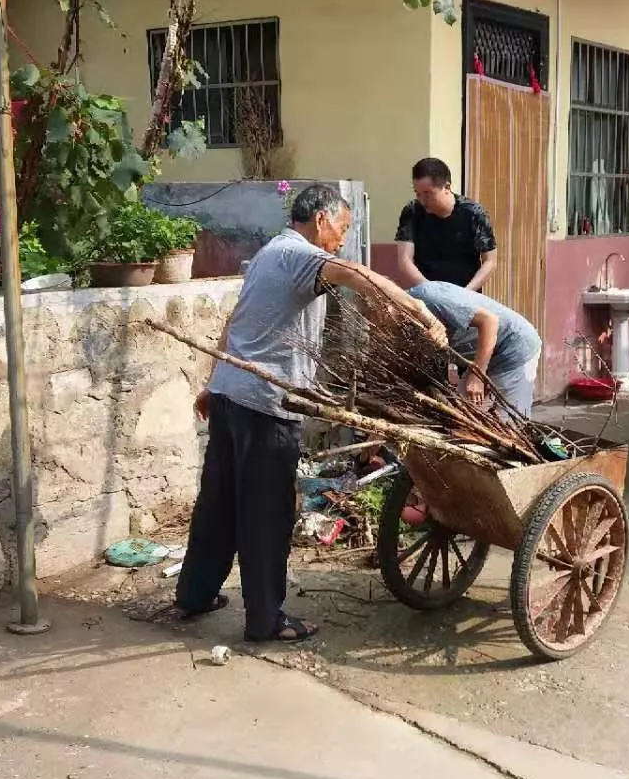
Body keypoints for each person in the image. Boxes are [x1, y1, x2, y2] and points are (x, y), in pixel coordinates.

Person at [174, 183, 447, 640]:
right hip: (264, 406)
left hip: (228, 396)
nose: (341, 239)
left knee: (217, 505)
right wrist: (420, 309)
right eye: (341, 228)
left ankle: (195, 595)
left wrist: (212, 383)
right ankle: (265, 621)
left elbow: (234, 322)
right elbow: (359, 274)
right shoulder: (302, 257)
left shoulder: (268, 253)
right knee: (267, 515)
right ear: (320, 221)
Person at [411, 280, 542, 416]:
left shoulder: (430, 298)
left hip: (514, 347)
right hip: (481, 355)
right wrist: (455, 379)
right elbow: (448, 350)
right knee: (462, 412)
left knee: (510, 419)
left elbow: (490, 321)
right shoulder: (406, 326)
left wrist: (477, 376)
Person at [395, 157, 497, 291]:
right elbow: (404, 259)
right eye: (418, 194)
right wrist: (430, 289)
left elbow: (490, 261)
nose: (422, 200)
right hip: (427, 292)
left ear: (447, 187)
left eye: (428, 194)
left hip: (467, 294)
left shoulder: (473, 212)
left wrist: (467, 292)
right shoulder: (412, 211)